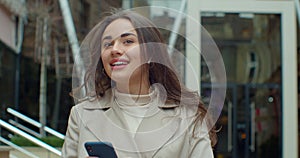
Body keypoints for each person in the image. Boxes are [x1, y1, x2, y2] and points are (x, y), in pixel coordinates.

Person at [62, 8, 217, 158]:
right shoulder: (82, 115)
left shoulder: (189, 117)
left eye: (128, 41)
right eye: (108, 44)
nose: (115, 49)